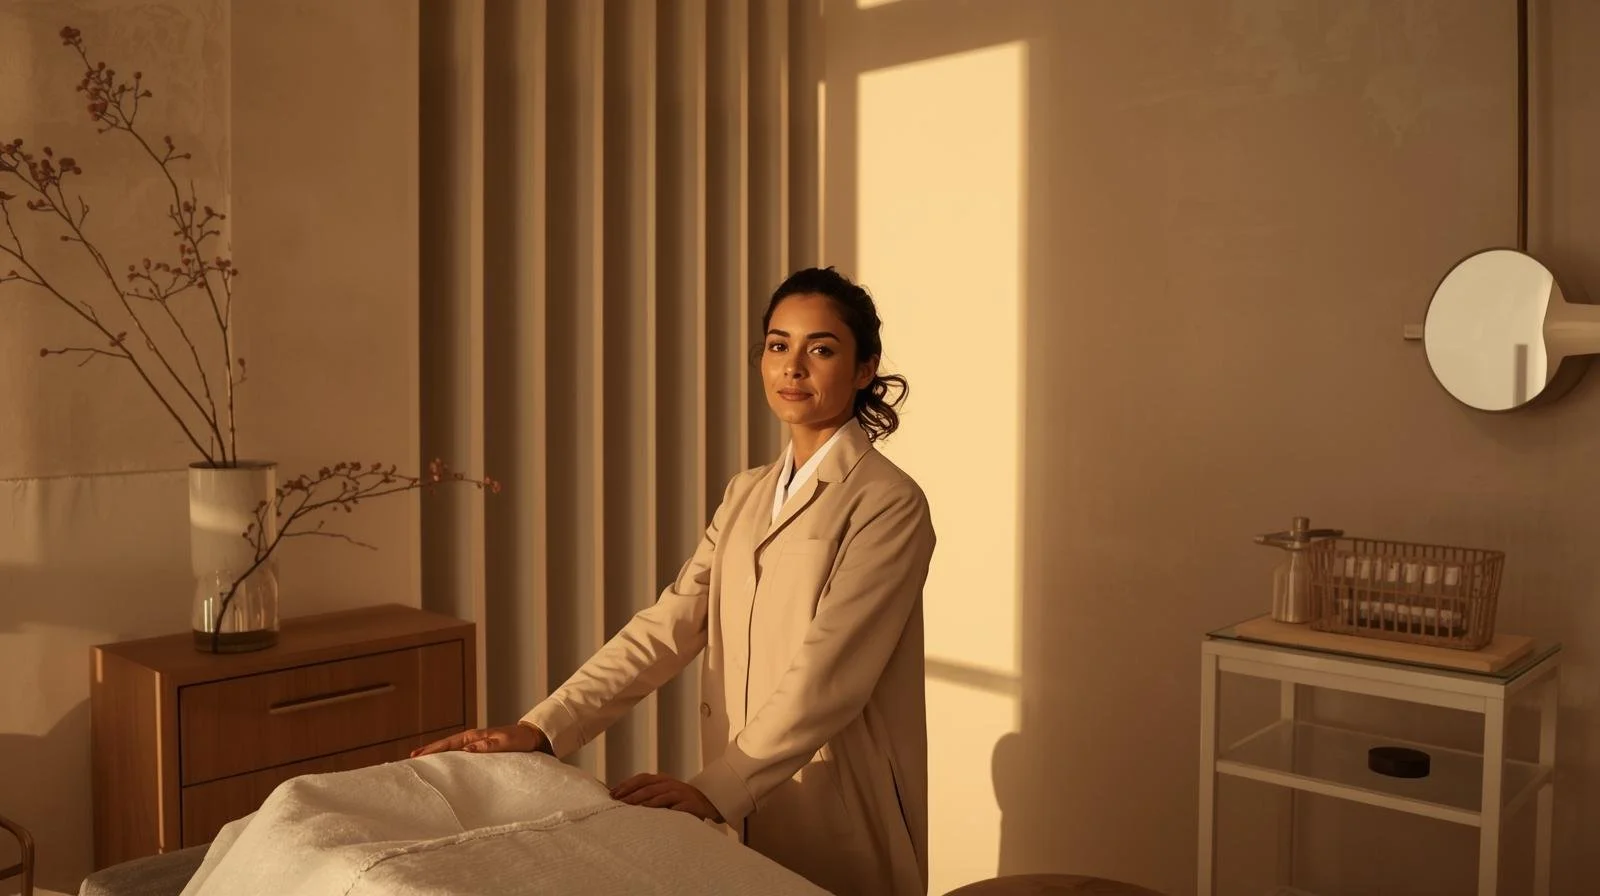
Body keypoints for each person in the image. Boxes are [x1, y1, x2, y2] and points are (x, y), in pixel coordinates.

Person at [414, 266, 937, 895]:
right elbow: (669, 625)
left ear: (863, 370)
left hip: (834, 804)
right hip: (741, 804)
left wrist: (715, 787)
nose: (792, 367)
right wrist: (545, 729)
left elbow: (830, 677)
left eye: (820, 349)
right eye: (778, 345)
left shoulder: (888, 501)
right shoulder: (746, 493)